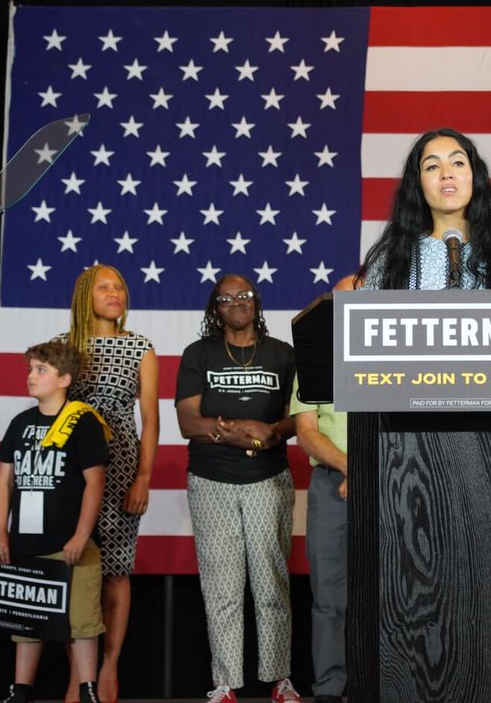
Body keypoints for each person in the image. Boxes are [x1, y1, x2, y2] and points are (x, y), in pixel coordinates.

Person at [175, 275, 301, 703]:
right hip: (211, 481)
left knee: (271, 585)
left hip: (269, 479)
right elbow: (187, 423)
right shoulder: (198, 354)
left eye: (244, 295)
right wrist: (245, 429)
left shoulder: (282, 354)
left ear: (256, 301)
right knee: (222, 588)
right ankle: (225, 684)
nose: (236, 302)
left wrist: (270, 432)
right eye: (226, 298)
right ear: (216, 309)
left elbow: (296, 418)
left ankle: (279, 680)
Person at [57, 264, 159, 703]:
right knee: (73, 568)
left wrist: (143, 478)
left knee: (116, 570)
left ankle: (108, 668)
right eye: (104, 287)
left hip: (119, 469)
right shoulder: (64, 347)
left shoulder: (140, 347)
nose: (115, 292)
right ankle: (78, 674)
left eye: (119, 286)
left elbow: (151, 419)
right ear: (85, 295)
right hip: (70, 470)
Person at [0, 342, 109, 703]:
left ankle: (88, 691)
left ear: (65, 379)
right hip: (27, 544)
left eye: (41, 370)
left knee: (82, 622)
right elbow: (4, 481)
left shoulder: (82, 422)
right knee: (27, 623)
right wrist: (0, 530)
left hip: (70, 543)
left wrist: (81, 535)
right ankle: (21, 691)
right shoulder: (20, 423)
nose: (31, 376)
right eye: (30, 369)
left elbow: (95, 483)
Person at [357, 128, 491, 291]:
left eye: (458, 163)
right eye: (432, 167)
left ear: (475, 176)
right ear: (418, 183)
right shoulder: (391, 260)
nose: (446, 174)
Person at [290, 274, 357, 703]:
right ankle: (330, 690)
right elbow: (306, 432)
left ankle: (384, 684)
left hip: (393, 488)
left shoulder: (402, 357)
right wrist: (352, 468)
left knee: (393, 595)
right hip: (332, 488)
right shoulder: (315, 359)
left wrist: (370, 475)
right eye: (343, 303)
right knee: (329, 597)